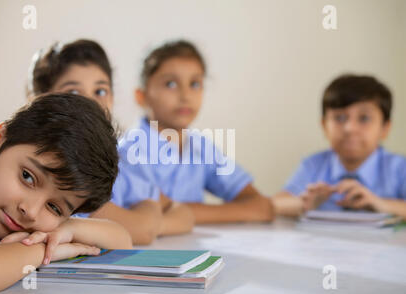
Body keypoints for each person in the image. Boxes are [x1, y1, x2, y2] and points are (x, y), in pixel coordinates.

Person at [0, 93, 132, 294]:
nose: (30, 212)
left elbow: (122, 242)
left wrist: (69, 229)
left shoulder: (43, 221)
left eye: (54, 208)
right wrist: (43, 250)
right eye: (27, 177)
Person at [28, 39, 194, 243]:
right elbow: (140, 230)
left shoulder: (122, 161)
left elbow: (183, 213)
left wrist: (150, 224)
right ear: (39, 99)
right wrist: (150, 216)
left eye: (100, 91)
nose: (90, 103)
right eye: (73, 92)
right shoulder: (51, 165)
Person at [119, 39, 274, 224]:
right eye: (170, 84)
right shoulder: (127, 152)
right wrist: (232, 211)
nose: (185, 96)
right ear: (141, 96)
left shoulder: (201, 147)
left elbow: (262, 207)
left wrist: (182, 213)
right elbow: (152, 215)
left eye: (194, 84)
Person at [273, 74, 406, 219]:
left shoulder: (399, 168)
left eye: (364, 118)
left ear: (385, 128)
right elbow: (273, 205)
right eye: (339, 118)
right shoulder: (313, 165)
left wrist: (380, 204)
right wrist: (304, 203)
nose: (349, 128)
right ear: (324, 126)